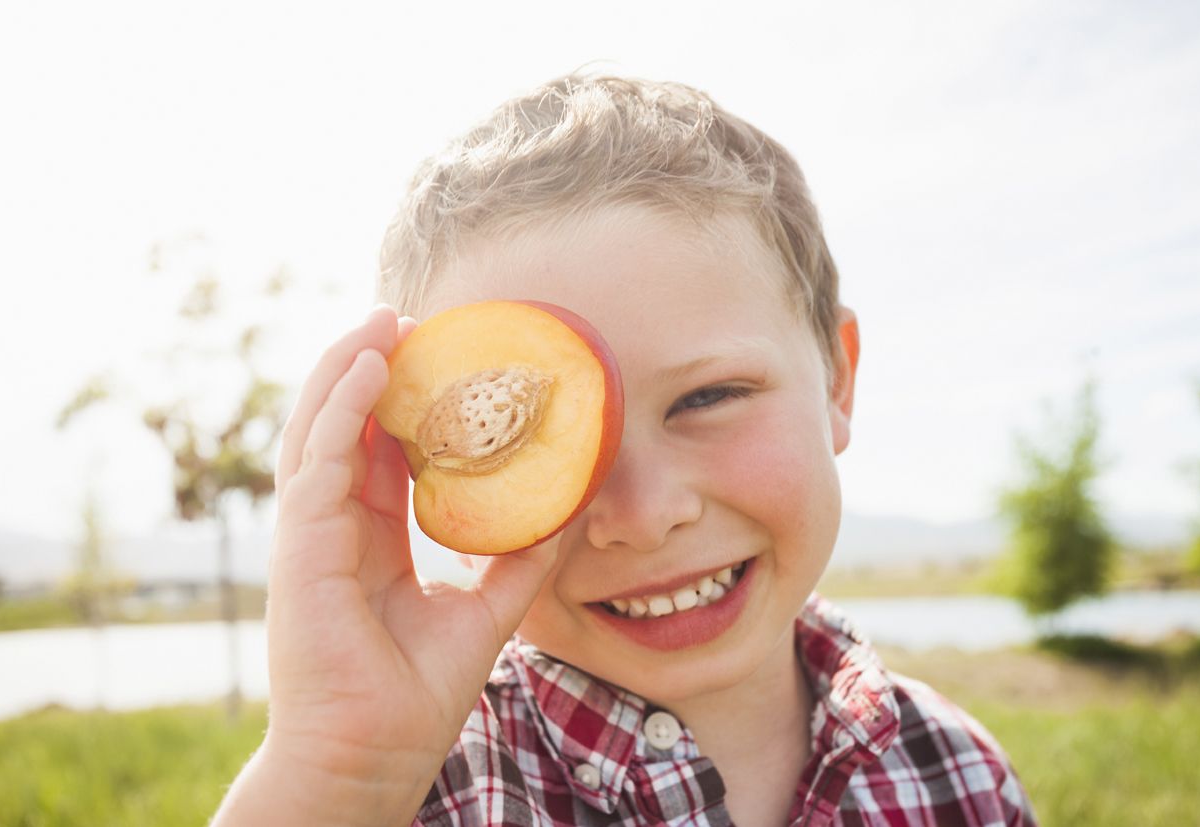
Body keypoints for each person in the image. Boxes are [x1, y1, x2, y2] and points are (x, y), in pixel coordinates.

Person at [212, 74, 1037, 826]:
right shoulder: (418, 794)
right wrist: (334, 772)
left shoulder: (961, 776)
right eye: (537, 442)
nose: (642, 517)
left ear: (837, 382)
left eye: (709, 398)